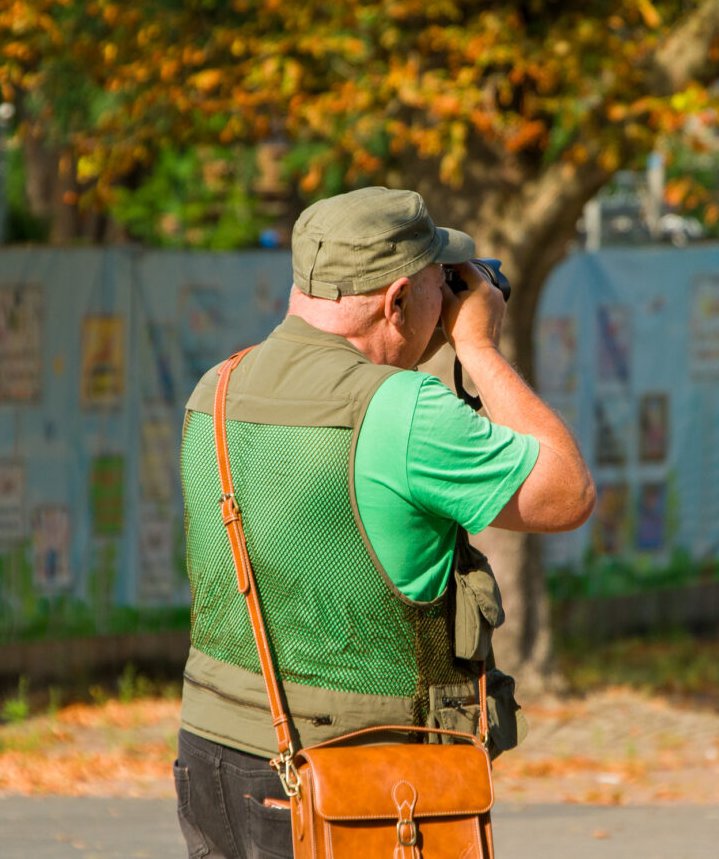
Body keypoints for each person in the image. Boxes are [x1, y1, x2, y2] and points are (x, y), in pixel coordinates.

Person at [174, 186, 595, 858]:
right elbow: (568, 493)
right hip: (354, 774)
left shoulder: (217, 389)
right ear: (397, 300)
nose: (450, 300)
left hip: (213, 755)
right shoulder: (402, 410)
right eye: (442, 283)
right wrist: (479, 345)